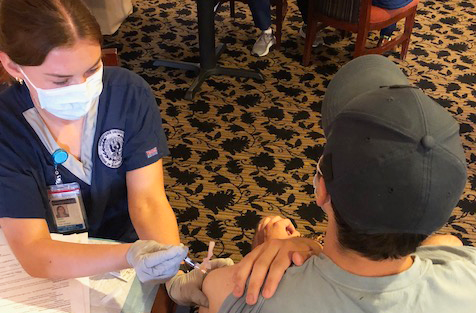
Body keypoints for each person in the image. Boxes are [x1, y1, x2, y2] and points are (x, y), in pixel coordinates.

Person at [0, 0, 319, 303]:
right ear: (13, 65)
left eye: (92, 69)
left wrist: (174, 275)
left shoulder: (126, 93)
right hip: (57, 261)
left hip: (129, 247)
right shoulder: (7, 128)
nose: (82, 88)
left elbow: (148, 200)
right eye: (61, 80)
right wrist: (130, 255)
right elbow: (35, 250)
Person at [170, 54, 474, 312]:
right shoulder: (467, 275)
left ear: (321, 187)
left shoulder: (243, 292)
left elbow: (200, 290)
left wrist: (284, 252)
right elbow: (449, 244)